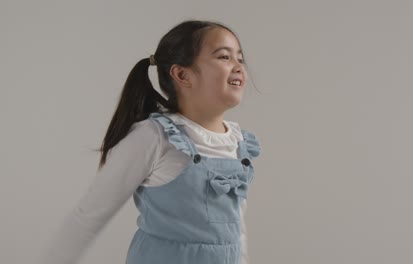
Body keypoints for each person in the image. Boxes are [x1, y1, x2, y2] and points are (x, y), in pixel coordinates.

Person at [38, 19, 261, 264]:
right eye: (224, 57)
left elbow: (237, 230)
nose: (238, 66)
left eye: (240, 58)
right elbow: (88, 217)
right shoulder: (154, 137)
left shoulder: (238, 142)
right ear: (182, 74)